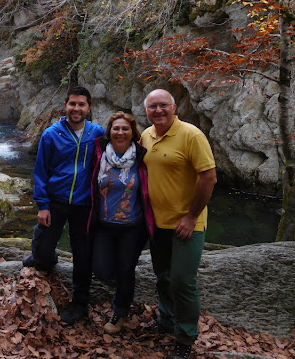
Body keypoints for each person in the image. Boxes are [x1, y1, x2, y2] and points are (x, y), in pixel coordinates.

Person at [140, 89, 217, 359]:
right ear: (146, 111)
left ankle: (185, 337)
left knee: (183, 281)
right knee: (163, 276)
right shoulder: (146, 135)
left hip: (187, 224)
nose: (158, 110)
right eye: (152, 107)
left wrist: (191, 216)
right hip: (156, 223)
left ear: (174, 108)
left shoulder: (192, 135)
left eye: (163, 106)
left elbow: (209, 178)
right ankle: (167, 320)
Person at [23, 85, 105, 325]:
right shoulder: (51, 134)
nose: (76, 108)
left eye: (81, 104)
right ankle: (43, 256)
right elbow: (40, 172)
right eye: (72, 104)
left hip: (84, 203)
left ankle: (80, 302)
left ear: (89, 108)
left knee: (82, 253)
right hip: (56, 201)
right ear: (65, 106)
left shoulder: (98, 133)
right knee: (43, 251)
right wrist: (42, 205)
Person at [89, 111, 155, 335]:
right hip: (104, 225)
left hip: (132, 227)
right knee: (102, 270)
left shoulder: (142, 157)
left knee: (126, 269)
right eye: (116, 128)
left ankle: (120, 313)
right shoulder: (99, 154)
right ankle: (121, 286)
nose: (120, 132)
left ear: (133, 133)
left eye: (125, 128)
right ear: (109, 132)